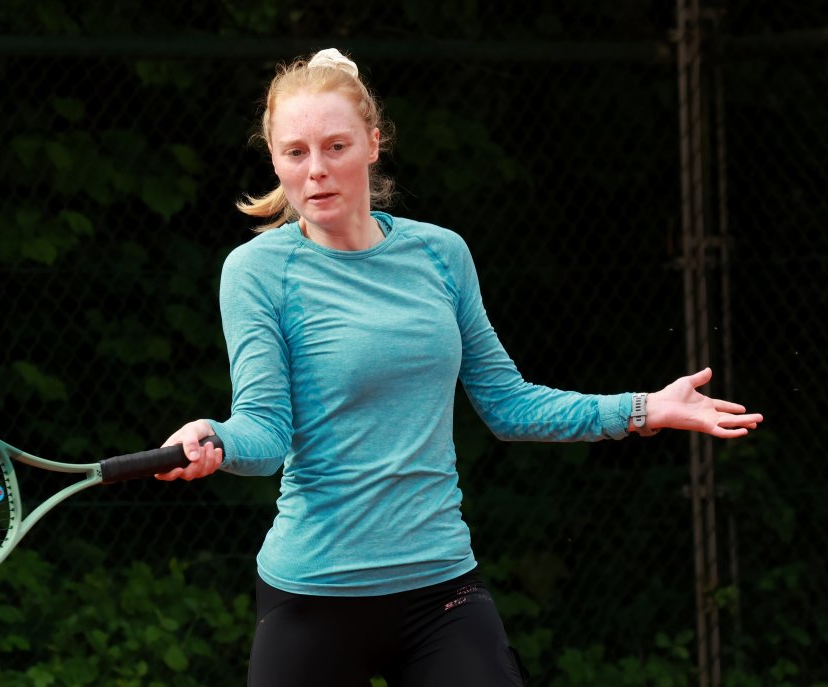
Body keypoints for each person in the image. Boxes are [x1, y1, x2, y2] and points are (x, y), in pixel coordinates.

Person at [156, 48, 763, 687]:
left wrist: (644, 409)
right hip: (313, 593)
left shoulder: (442, 255)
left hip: (440, 590)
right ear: (275, 159)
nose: (315, 172)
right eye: (295, 153)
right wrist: (216, 436)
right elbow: (265, 432)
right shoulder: (256, 272)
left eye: (336, 146)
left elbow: (508, 404)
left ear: (373, 143)